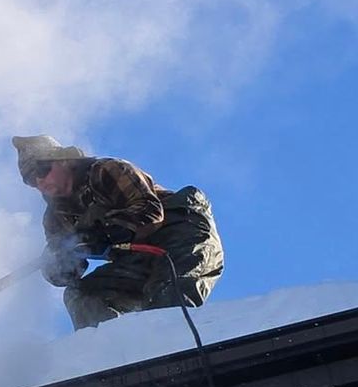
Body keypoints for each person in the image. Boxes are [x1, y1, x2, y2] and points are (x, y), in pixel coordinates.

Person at [12, 134, 224, 329]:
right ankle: (113, 353)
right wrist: (58, 263)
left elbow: (149, 212)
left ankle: (173, 351)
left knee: (168, 302)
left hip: (181, 234)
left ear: (63, 160)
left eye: (42, 170)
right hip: (136, 259)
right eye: (30, 179)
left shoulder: (106, 171)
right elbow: (67, 274)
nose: (39, 181)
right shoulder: (55, 218)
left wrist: (99, 234)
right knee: (82, 296)